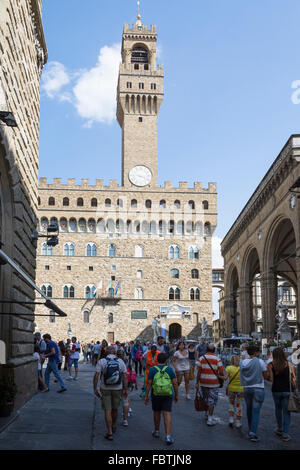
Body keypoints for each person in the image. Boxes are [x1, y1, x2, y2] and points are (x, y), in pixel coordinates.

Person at [93, 345, 128, 440]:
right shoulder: (120, 361)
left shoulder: (102, 361)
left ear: (106, 352)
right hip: (118, 388)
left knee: (107, 410)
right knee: (115, 409)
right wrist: (125, 389)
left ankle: (110, 432)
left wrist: (95, 388)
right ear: (115, 352)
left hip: (105, 388)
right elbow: (125, 376)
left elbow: (96, 375)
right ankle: (114, 425)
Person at [144, 352, 178, 446]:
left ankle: (157, 431)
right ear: (166, 360)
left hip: (156, 393)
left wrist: (146, 396)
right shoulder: (170, 369)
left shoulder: (153, 369)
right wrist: (176, 395)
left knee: (157, 412)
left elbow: (149, 383)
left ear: (157, 360)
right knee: (167, 413)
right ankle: (168, 436)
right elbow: (175, 383)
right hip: (167, 394)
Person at [267, 347, 298, 441]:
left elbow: (271, 379)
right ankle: (285, 433)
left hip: (276, 390)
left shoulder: (271, 365)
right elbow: (294, 378)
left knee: (278, 409)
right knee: (286, 412)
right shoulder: (289, 364)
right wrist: (295, 389)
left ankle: (279, 428)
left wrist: (266, 377)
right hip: (288, 391)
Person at [240, 345, 269, 442]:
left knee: (249, 409)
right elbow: (265, 376)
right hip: (258, 387)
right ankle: (252, 433)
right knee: (256, 411)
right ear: (256, 352)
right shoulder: (260, 361)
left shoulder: (243, 362)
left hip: (247, 387)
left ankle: (250, 428)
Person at [196, 343, 225, 426]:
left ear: (206, 350)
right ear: (214, 350)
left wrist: (197, 383)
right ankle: (210, 418)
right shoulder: (217, 359)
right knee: (211, 401)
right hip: (214, 383)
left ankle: (206, 414)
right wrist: (221, 381)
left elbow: (199, 372)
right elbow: (221, 371)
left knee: (205, 399)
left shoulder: (201, 358)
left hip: (203, 382)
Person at [224, 354, 244, 428]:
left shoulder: (228, 368)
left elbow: (225, 378)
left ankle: (231, 419)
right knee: (239, 406)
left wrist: (219, 376)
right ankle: (238, 422)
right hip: (241, 389)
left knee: (231, 404)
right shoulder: (242, 368)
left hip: (231, 389)